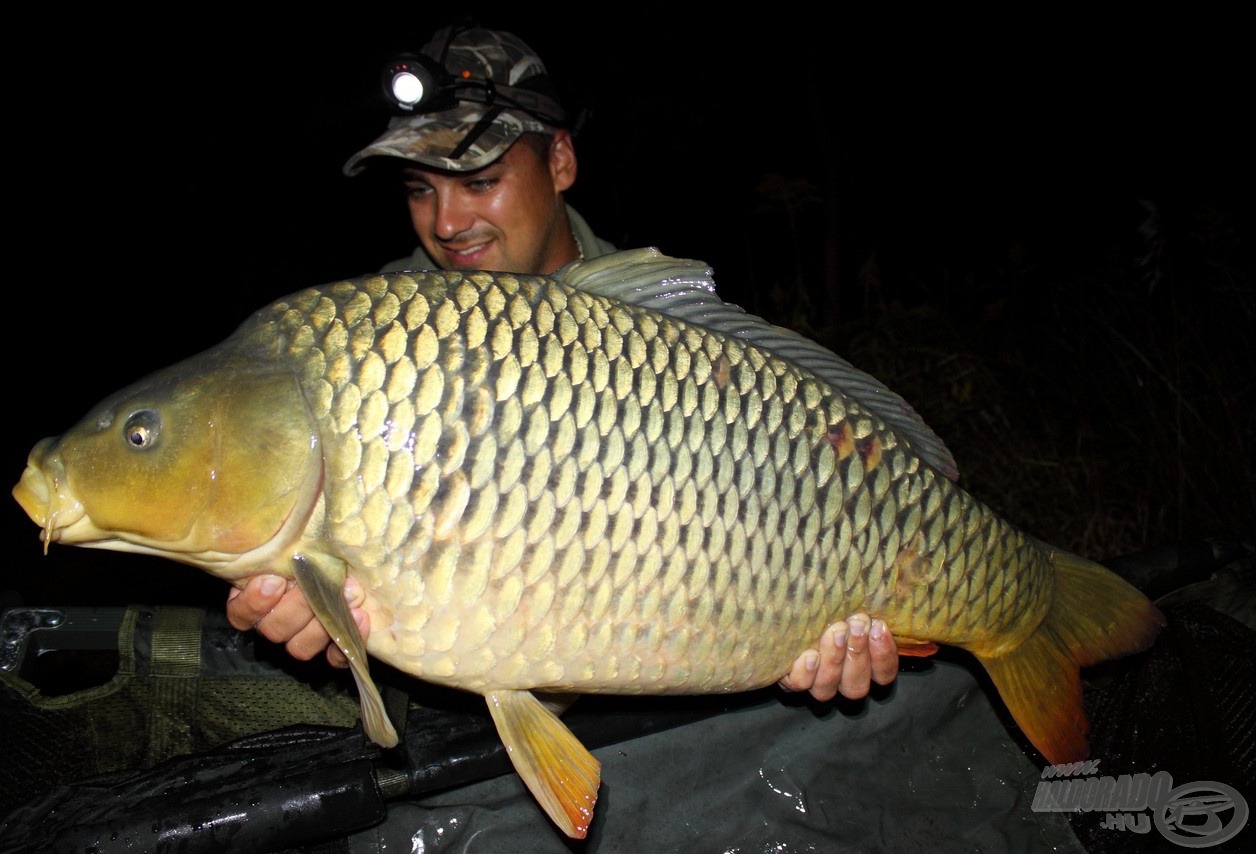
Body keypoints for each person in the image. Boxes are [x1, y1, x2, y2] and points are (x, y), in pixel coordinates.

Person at [225, 24, 898, 705]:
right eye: (419, 190)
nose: (448, 222)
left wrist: (804, 626)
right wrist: (333, 612)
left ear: (562, 162)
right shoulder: (385, 347)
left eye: (480, 180)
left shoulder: (670, 343)